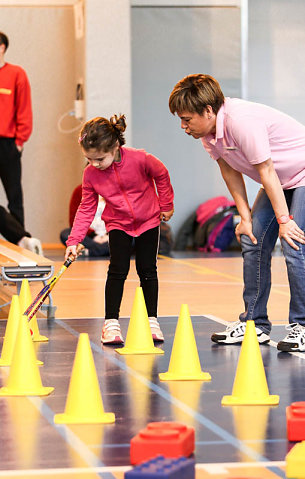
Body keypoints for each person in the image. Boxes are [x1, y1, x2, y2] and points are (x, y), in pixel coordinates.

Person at [169, 73, 305, 352]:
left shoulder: (241, 121)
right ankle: (254, 324)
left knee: (293, 243)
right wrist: (245, 218)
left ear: (208, 110)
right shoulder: (208, 134)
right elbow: (229, 171)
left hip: (301, 173)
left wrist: (283, 221)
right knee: (252, 237)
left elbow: (266, 170)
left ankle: (301, 326)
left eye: (186, 119)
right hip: (278, 181)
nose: (183, 127)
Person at [65, 114, 174, 345]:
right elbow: (86, 207)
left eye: (100, 159)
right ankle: (111, 323)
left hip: (148, 221)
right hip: (118, 223)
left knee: (148, 269)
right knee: (117, 270)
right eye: (89, 159)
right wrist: (74, 240)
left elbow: (161, 174)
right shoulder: (90, 174)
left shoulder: (140, 159)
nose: (94, 164)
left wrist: (166, 204)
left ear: (115, 146)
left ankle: (151, 320)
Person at [0, 31, 32, 227]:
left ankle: (19, 240)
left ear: (2, 47)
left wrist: (19, 142)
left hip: (8, 144)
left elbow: (24, 108)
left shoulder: (16, 74)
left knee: (14, 196)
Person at [60, 184, 109, 257]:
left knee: (130, 236)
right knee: (65, 234)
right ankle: (107, 251)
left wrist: (108, 235)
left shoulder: (113, 188)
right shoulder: (79, 190)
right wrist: (93, 236)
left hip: (110, 235)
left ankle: (89, 252)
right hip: (89, 236)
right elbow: (73, 220)